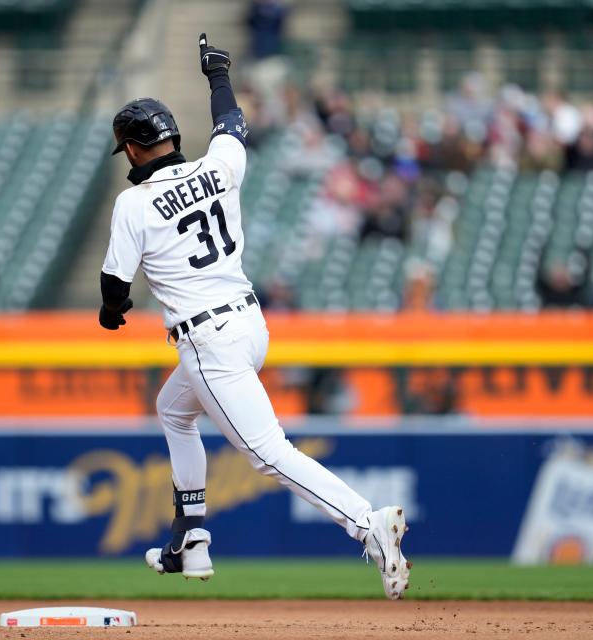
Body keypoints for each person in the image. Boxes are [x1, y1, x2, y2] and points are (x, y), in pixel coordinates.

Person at [98, 34, 410, 599]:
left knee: (270, 454)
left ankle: (367, 523)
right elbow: (231, 125)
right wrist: (218, 76)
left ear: (135, 149)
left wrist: (111, 312)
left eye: (127, 150)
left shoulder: (134, 203)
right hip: (248, 324)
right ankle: (191, 536)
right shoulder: (220, 168)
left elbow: (114, 286)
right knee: (173, 411)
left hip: (207, 340)